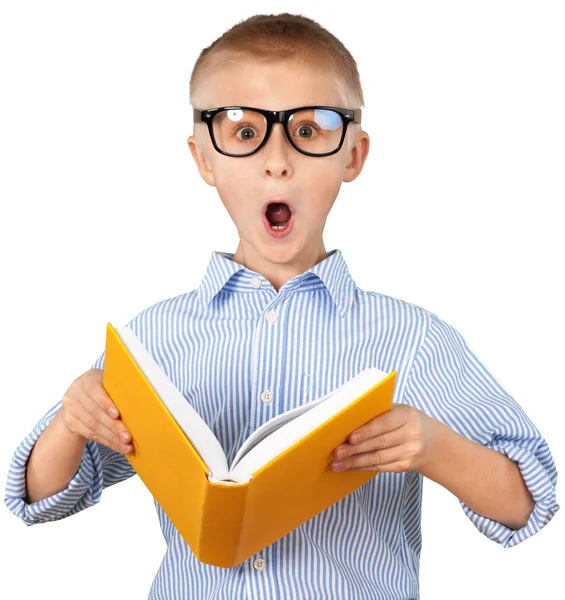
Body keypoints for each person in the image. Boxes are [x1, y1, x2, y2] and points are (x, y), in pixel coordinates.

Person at [4, 12, 560, 600]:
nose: (277, 159)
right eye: (244, 132)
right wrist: (74, 414)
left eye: (311, 128)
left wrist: (435, 447)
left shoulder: (411, 338)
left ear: (353, 155)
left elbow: (529, 502)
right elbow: (38, 497)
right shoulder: (156, 336)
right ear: (203, 160)